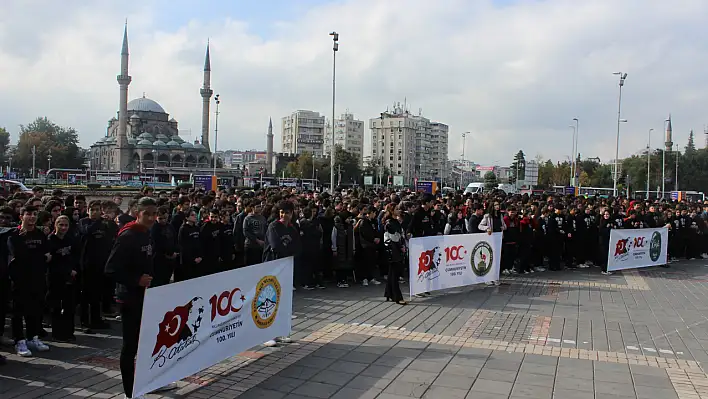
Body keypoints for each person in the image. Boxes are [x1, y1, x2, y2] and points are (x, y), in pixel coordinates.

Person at [104, 197, 161, 399]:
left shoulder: (147, 234)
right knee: (130, 345)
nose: (152, 217)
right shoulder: (127, 236)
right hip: (129, 298)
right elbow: (110, 270)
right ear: (138, 213)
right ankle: (131, 392)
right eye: (147, 213)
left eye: (155, 213)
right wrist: (136, 280)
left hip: (146, 296)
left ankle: (147, 381)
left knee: (148, 342)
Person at [8, 205, 52, 357]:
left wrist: (39, 258)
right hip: (20, 279)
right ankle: (19, 340)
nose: (32, 217)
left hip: (38, 278)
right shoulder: (15, 235)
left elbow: (47, 255)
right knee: (18, 311)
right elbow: (19, 256)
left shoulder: (40, 234)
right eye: (28, 214)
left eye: (34, 214)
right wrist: (39, 257)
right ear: (21, 216)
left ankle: (33, 337)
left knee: (35, 309)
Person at [262, 200, 301, 348]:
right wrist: (288, 251)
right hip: (271, 267)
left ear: (292, 214)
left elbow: (298, 247)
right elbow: (275, 246)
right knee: (269, 301)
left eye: (287, 212)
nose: (284, 215)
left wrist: (290, 253)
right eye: (282, 212)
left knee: (283, 300)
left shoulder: (292, 228)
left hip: (286, 267)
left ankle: (281, 331)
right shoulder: (273, 226)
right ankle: (267, 334)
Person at [47, 215, 78, 341]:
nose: (63, 228)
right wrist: (67, 270)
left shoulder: (71, 239)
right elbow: (52, 261)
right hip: (55, 276)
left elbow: (76, 255)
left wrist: (74, 269)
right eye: (61, 225)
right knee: (56, 306)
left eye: (66, 225)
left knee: (70, 305)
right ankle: (57, 333)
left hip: (71, 276)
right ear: (56, 225)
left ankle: (69, 332)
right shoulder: (50, 240)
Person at [383, 210, 406, 305]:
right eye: (396, 209)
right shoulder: (390, 223)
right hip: (393, 249)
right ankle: (397, 296)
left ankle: (389, 293)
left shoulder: (395, 222)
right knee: (395, 273)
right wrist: (401, 245)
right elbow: (394, 238)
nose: (398, 210)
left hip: (396, 248)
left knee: (392, 272)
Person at [151, 206, 177, 287]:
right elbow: (156, 243)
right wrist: (168, 253)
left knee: (166, 281)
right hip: (159, 260)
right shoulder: (154, 228)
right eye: (160, 218)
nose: (163, 220)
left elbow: (174, 240)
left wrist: (174, 252)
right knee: (158, 282)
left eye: (165, 218)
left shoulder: (170, 226)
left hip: (170, 260)